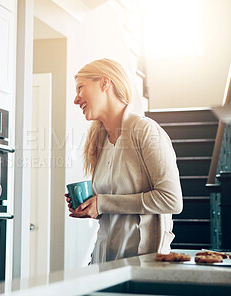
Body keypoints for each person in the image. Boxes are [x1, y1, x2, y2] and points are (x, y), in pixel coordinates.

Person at [66, 58, 183, 263]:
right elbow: (116, 210)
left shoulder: (145, 131)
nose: (76, 99)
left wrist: (103, 203)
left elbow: (171, 200)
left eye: (80, 88)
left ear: (105, 83)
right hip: (103, 260)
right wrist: (92, 207)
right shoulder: (98, 141)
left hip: (142, 264)